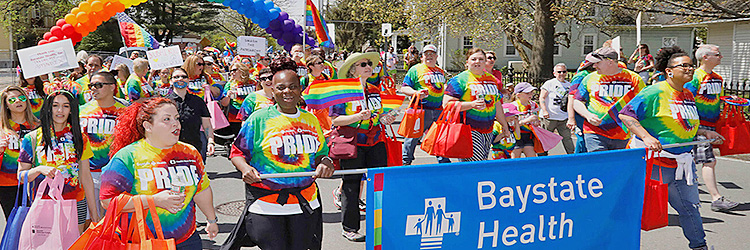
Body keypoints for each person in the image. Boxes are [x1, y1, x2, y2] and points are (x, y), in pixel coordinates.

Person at [221, 62, 334, 250]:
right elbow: (237, 152)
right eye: (281, 88)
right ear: (272, 90)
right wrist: (245, 168)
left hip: (305, 202)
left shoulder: (310, 119)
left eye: (293, 86)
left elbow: (321, 154)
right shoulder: (259, 119)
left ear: (300, 90)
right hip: (266, 203)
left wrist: (326, 162)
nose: (287, 92)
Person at [619, 46, 723, 250]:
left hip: (683, 163)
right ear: (669, 71)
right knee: (640, 210)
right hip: (654, 163)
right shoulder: (655, 91)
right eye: (683, 66)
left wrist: (704, 132)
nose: (689, 69)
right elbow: (626, 115)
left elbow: (682, 122)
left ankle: (699, 246)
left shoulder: (687, 94)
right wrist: (647, 137)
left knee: (690, 208)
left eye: (691, 66)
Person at [100, 97, 218, 250]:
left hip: (187, 240)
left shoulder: (190, 153)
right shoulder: (127, 156)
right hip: (142, 242)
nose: (175, 123)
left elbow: (201, 189)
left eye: (176, 118)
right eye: (166, 119)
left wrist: (212, 219)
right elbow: (107, 201)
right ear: (148, 126)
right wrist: (153, 200)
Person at [330, 52, 397, 241]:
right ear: (352, 69)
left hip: (375, 141)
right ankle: (350, 227)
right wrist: (358, 117)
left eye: (370, 64)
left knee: (379, 185)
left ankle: (381, 225)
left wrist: (386, 119)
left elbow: (379, 116)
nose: (369, 66)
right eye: (363, 64)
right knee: (351, 186)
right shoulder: (342, 92)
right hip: (353, 143)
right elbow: (335, 120)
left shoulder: (374, 89)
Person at [18, 89, 99, 233]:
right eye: (55, 105)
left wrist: (94, 214)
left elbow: (86, 177)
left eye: (66, 106)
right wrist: (38, 170)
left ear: (71, 110)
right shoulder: (32, 138)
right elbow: (21, 176)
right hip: (44, 204)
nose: (60, 110)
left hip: (75, 203)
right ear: (48, 108)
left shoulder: (80, 138)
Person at [685, 44, 739, 212]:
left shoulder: (718, 78)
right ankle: (716, 198)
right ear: (705, 57)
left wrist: (729, 99)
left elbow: (716, 98)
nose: (721, 57)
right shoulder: (694, 77)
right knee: (709, 160)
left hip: (712, 124)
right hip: (697, 125)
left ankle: (683, 193)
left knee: (692, 160)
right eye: (717, 54)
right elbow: (686, 99)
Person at [443, 48, 511, 162]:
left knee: (480, 162)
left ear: (485, 62)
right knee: (476, 163)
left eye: (481, 59)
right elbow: (447, 104)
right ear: (467, 62)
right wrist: (471, 104)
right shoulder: (460, 79)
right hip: (468, 129)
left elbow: (497, 103)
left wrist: (504, 125)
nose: (477, 62)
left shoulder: (491, 79)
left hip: (488, 129)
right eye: (473, 59)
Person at [573, 47, 645, 152]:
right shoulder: (589, 78)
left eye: (597, 62)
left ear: (610, 62)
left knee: (617, 165)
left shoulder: (634, 79)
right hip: (594, 131)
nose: (594, 66)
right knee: (599, 164)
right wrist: (587, 115)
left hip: (622, 133)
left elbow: (644, 102)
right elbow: (577, 101)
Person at [79, 71, 130, 219]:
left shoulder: (126, 112)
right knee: (91, 220)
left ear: (112, 87)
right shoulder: (81, 111)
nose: (93, 89)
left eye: (98, 85)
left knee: (114, 220)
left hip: (115, 174)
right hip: (88, 174)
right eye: (91, 85)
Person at [400, 44, 451, 165]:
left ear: (436, 56)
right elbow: (404, 88)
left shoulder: (440, 71)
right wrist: (416, 93)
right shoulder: (415, 69)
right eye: (426, 54)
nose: (429, 56)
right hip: (420, 109)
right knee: (412, 138)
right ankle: (405, 162)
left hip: (438, 110)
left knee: (439, 137)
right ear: (422, 57)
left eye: (432, 54)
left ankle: (443, 162)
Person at [0, 86, 39, 220]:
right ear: (5, 105)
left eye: (21, 98)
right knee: (15, 224)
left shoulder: (38, 126)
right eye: (12, 99)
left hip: (34, 182)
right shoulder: (1, 128)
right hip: (8, 184)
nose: (18, 101)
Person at [167, 68, 215, 161]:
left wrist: (210, 142)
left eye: (183, 77)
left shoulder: (198, 101)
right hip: (171, 149)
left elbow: (207, 125)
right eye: (176, 77)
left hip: (194, 148)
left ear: (188, 80)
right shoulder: (165, 102)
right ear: (171, 81)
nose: (180, 79)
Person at [539, 63, 574, 154]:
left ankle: (572, 155)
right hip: (549, 117)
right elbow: (542, 97)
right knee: (545, 138)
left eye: (564, 71)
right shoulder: (549, 83)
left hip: (563, 117)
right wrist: (544, 110)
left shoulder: (569, 85)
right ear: (554, 73)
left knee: (567, 138)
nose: (561, 74)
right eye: (559, 72)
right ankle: (542, 155)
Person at [567, 59, 595, 153]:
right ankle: (577, 162)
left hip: (592, 112)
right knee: (582, 139)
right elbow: (571, 97)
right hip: (580, 113)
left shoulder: (598, 76)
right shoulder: (581, 76)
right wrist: (571, 118)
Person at [220, 63, 256, 138]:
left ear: (242, 70)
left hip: (251, 114)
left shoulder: (253, 83)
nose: (232, 72)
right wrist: (228, 96)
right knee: (240, 138)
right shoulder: (229, 84)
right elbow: (224, 104)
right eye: (230, 71)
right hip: (235, 116)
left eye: (234, 70)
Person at [510, 82, 540, 158]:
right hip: (516, 135)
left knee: (532, 160)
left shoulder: (533, 105)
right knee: (515, 161)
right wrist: (526, 121)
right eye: (527, 93)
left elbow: (536, 118)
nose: (530, 95)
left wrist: (536, 122)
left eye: (531, 92)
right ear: (518, 95)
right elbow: (511, 125)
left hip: (528, 135)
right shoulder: (513, 106)